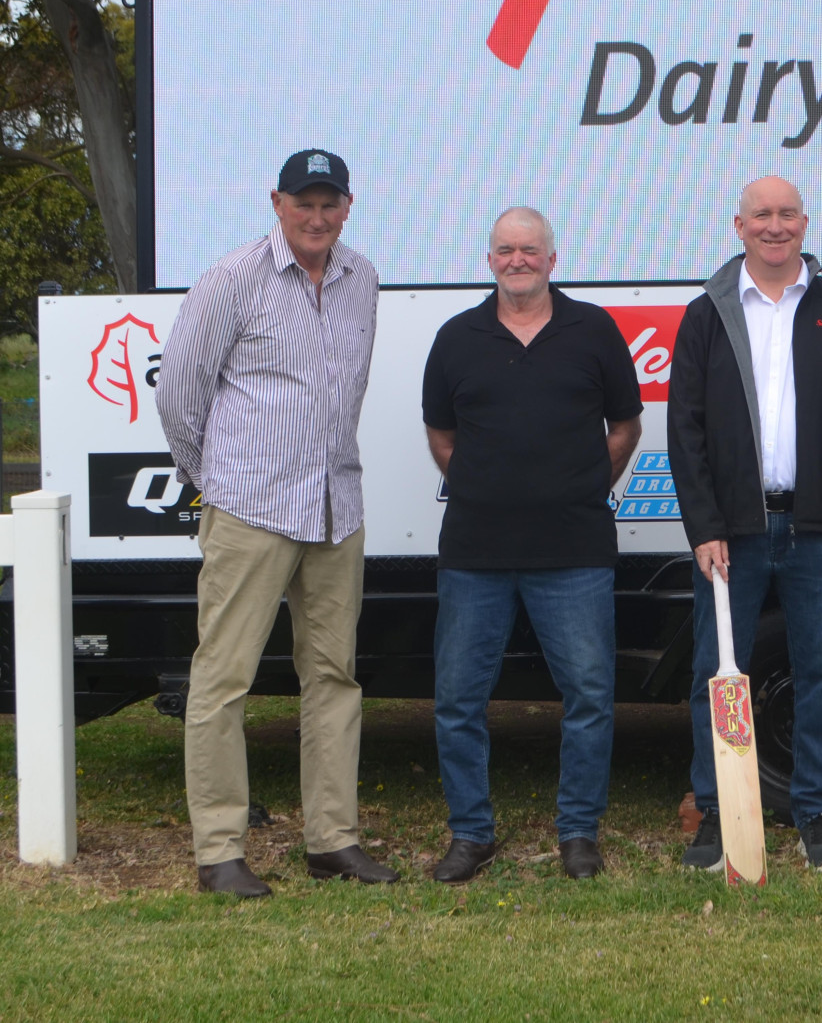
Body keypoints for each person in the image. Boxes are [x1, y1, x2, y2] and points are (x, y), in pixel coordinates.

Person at [157, 149, 396, 897]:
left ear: (348, 206)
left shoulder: (363, 280)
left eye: (329, 202)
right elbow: (179, 394)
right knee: (223, 677)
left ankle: (333, 839)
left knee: (333, 676)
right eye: (303, 202)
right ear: (277, 201)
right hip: (251, 507)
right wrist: (217, 479)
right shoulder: (233, 279)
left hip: (335, 506)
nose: (316, 216)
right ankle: (220, 849)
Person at [667, 176, 822, 874]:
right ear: (738, 225)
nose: (775, 225)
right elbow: (687, 431)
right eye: (761, 214)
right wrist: (704, 524)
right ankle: (716, 813)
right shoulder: (708, 313)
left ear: (805, 222)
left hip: (820, 527)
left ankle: (817, 815)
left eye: (787, 213)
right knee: (718, 674)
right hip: (732, 531)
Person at [420, 208, 644, 884]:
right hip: (475, 552)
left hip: (573, 549)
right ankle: (471, 834)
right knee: (458, 699)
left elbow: (626, 425)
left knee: (589, 696)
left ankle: (578, 832)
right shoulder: (457, 337)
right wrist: (485, 488)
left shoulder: (594, 330)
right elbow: (441, 435)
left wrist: (577, 488)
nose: (518, 260)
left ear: (552, 258)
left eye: (530, 250)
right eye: (506, 250)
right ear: (489, 259)